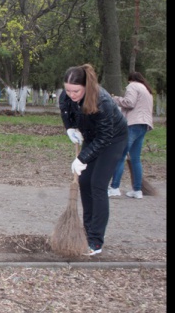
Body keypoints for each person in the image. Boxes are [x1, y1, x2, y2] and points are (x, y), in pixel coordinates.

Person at [59, 64, 128, 256]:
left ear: (85, 86)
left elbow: (105, 137)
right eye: (68, 90)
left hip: (113, 139)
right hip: (92, 136)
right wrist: (70, 128)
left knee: (97, 185)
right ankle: (87, 231)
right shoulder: (66, 95)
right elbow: (65, 110)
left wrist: (82, 158)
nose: (71, 95)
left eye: (76, 91)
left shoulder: (101, 100)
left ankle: (95, 241)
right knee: (85, 181)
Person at [108, 72, 154, 199]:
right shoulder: (147, 90)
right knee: (135, 158)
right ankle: (137, 190)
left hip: (132, 123)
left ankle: (114, 187)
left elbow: (129, 102)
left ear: (130, 80)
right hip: (144, 125)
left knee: (120, 156)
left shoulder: (132, 86)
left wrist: (115, 99)